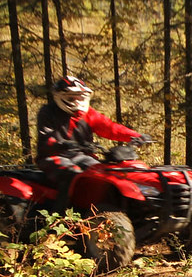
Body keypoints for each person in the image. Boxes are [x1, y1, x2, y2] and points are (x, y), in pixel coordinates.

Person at [36, 75, 146, 210]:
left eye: (80, 97)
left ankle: (100, 209)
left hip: (82, 156)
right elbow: (47, 138)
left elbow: (109, 128)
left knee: (101, 175)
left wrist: (135, 136)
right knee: (72, 175)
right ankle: (59, 218)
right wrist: (61, 144)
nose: (77, 101)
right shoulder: (48, 112)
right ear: (60, 96)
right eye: (71, 97)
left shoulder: (88, 114)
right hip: (54, 157)